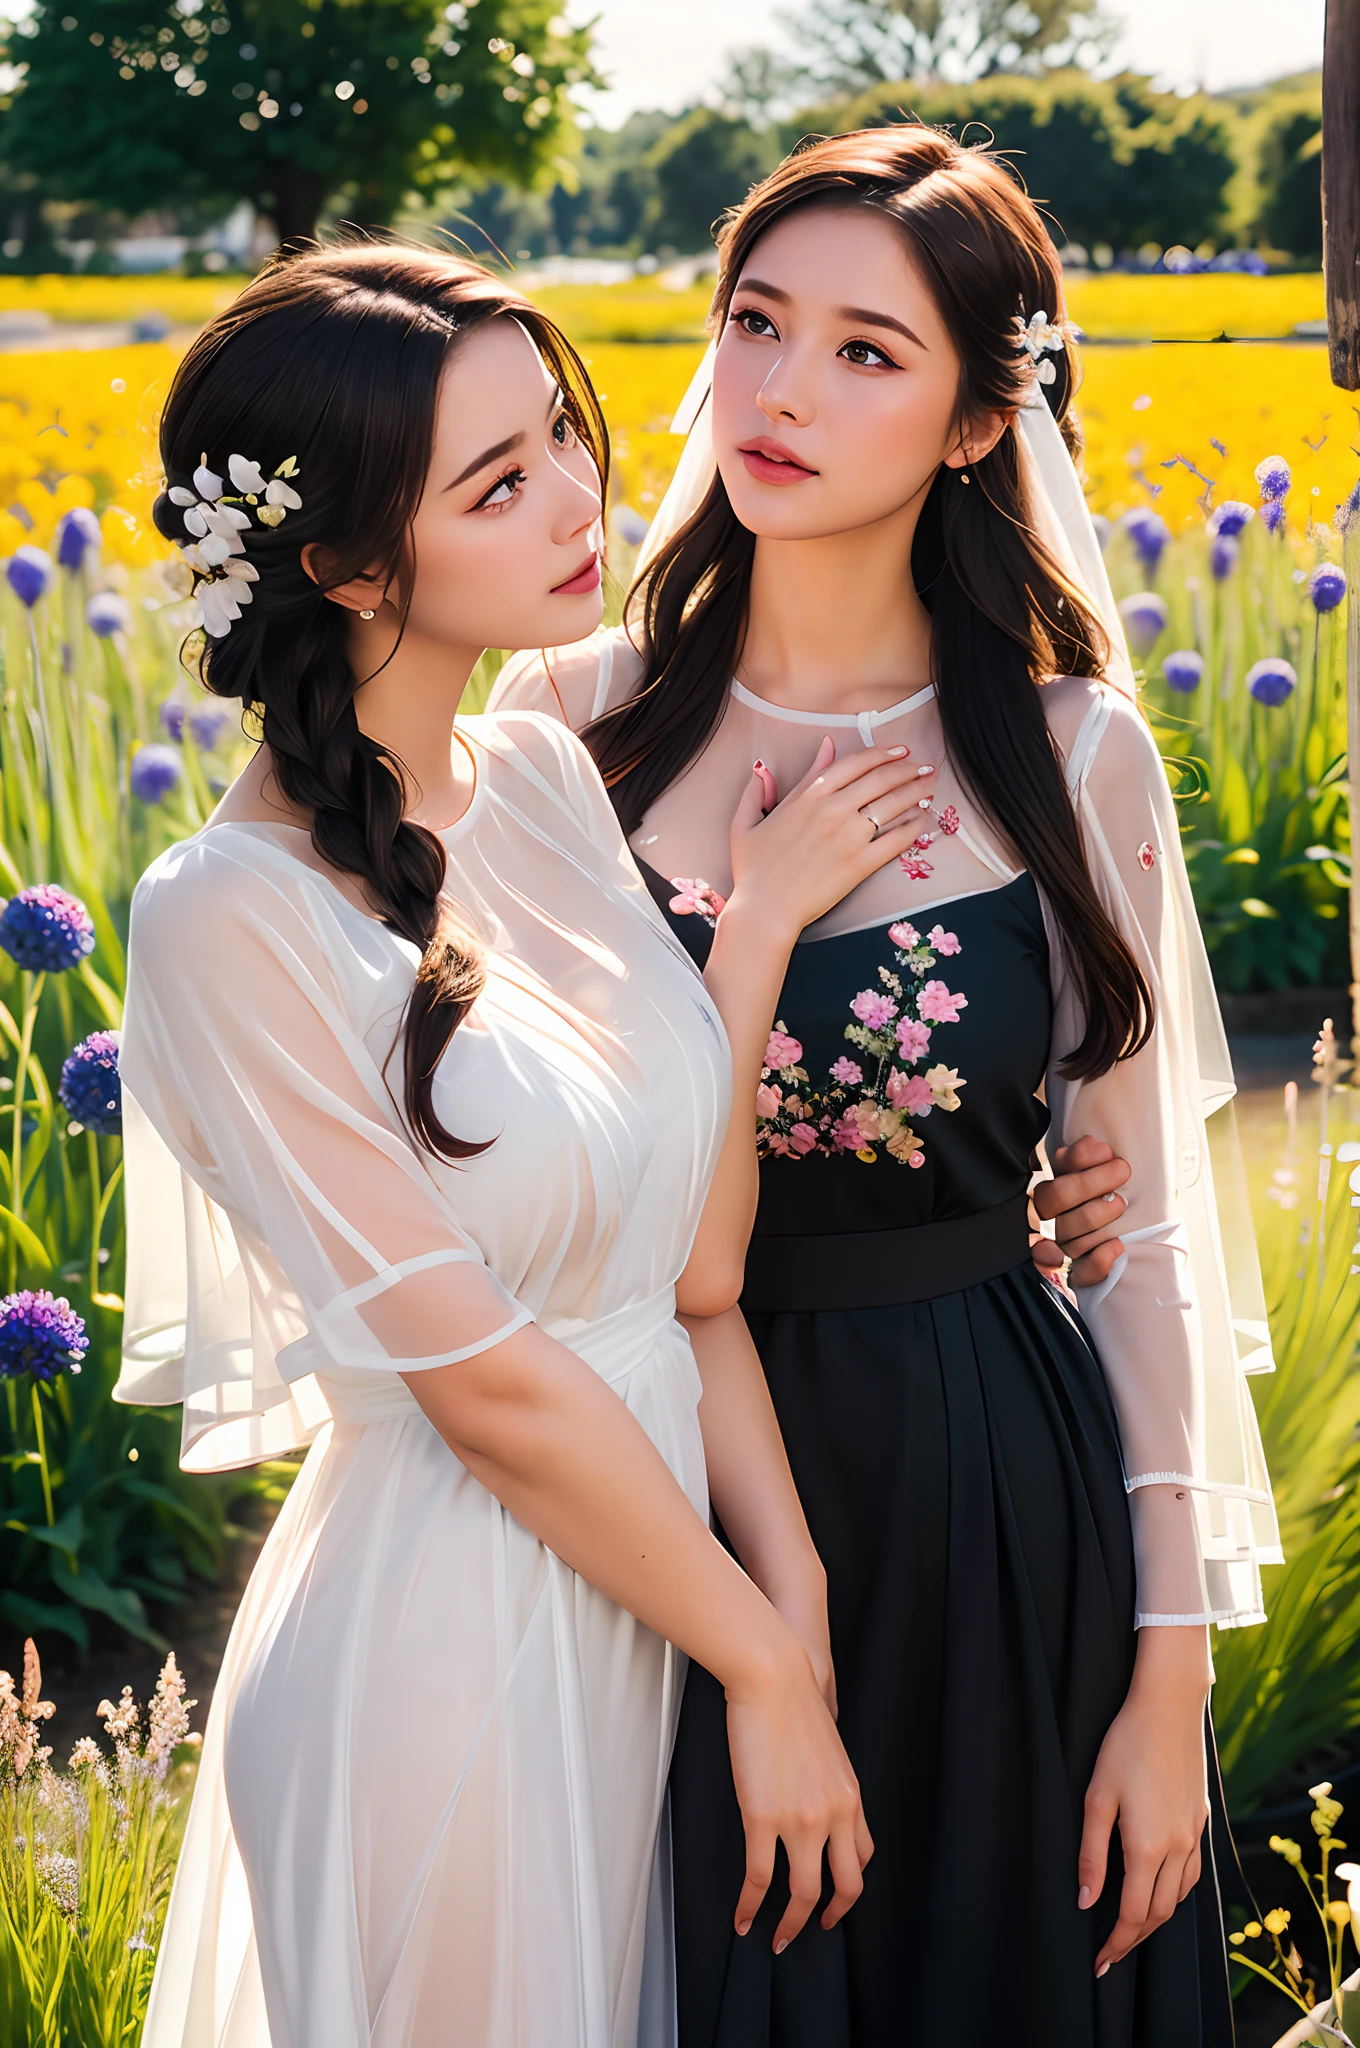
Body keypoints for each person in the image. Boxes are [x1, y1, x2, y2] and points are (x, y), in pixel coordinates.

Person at [111, 239, 1006, 2048]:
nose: (579, 501)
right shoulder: (225, 916)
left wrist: (794, 1584)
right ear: (346, 563)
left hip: (651, 1601)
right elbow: (490, 1392)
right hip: (457, 1634)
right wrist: (762, 1657)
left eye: (565, 440)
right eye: (500, 482)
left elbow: (694, 1268)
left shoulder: (529, 774)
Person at [491, 126, 1279, 2045]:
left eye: (866, 351)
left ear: (972, 423)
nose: (777, 390)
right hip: (653, 1496)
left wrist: (1168, 1683)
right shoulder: (564, 727)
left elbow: (1145, 1235)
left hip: (988, 1490)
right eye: (757, 323)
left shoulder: (1077, 754)